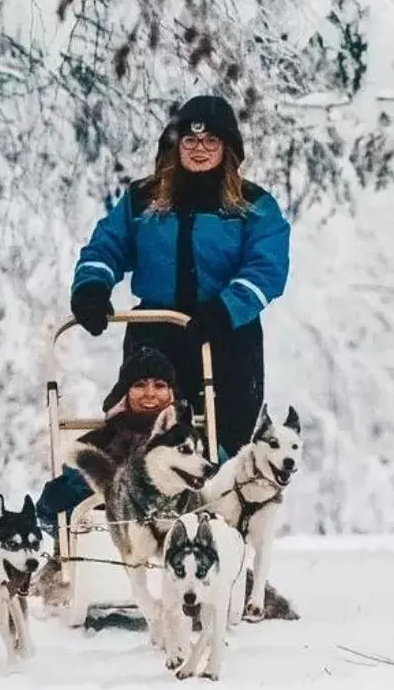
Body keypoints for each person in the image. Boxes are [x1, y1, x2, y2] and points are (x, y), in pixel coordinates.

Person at [66, 94, 290, 460]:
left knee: (222, 442)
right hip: (156, 332)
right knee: (143, 434)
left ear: (227, 148)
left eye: (210, 141)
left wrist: (223, 309)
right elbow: (107, 246)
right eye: (190, 140)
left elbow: (267, 269)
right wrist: (91, 287)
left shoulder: (253, 206)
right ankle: (102, 498)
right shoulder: (143, 199)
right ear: (175, 145)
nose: (199, 149)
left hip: (226, 335)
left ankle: (216, 504)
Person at [34, 345, 181, 523]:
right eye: (139, 385)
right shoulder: (95, 445)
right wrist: (49, 505)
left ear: (171, 393)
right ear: (125, 394)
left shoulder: (193, 443)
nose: (150, 393)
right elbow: (55, 519)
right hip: (105, 542)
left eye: (159, 385)